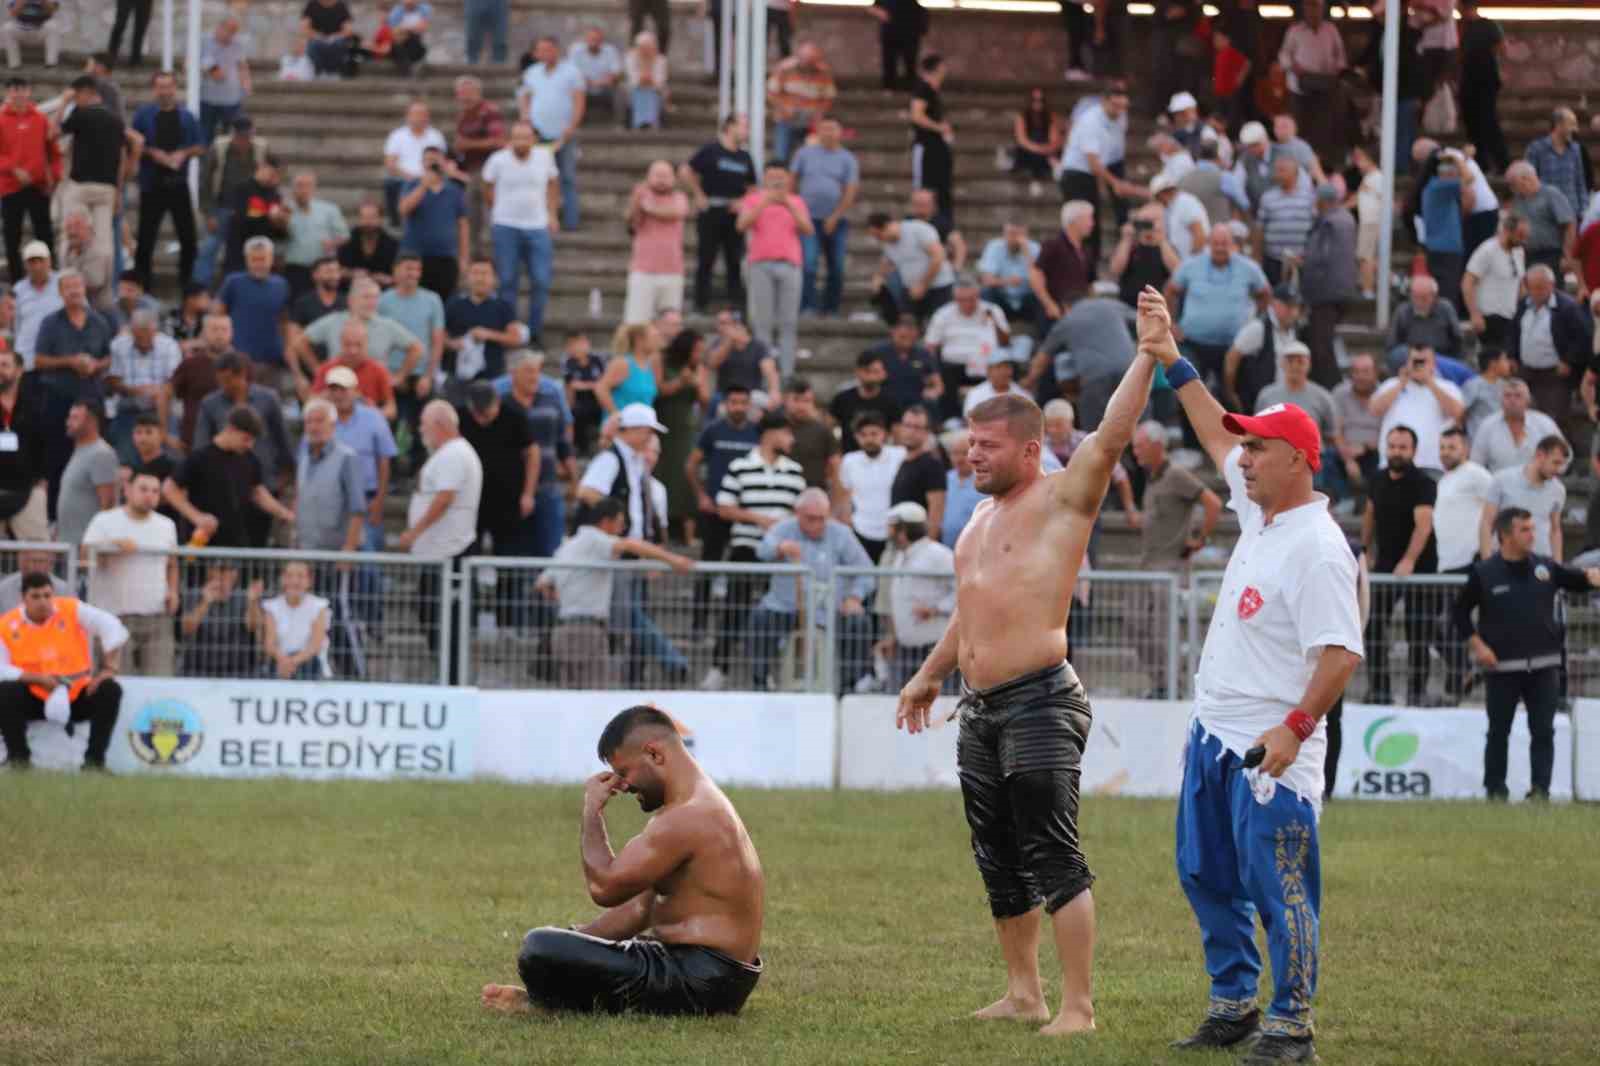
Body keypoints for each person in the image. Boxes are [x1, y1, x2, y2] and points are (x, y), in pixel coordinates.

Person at [892, 292, 1161, 1035]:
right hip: (980, 705)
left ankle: (1078, 1006)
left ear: (1030, 449)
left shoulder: (1062, 499)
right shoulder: (977, 518)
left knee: (1052, 854)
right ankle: (1024, 993)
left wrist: (1144, 354)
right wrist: (931, 673)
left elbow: (1109, 437)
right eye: (969, 445)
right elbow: (970, 608)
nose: (971, 456)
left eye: (987, 447)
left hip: (1041, 697)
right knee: (998, 857)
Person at [1134, 288, 1360, 1063]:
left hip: (1271, 746)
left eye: (1258, 448)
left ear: (1297, 459)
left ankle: (1292, 1023)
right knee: (1205, 872)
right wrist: (1171, 361)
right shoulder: (1263, 513)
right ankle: (1234, 1003)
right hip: (1213, 733)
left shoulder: (1320, 547)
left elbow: (1341, 654)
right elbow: (1209, 423)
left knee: (1280, 888)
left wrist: (1295, 730)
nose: (1243, 457)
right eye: (1247, 449)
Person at [482, 704, 764, 1015]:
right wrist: (578, 942)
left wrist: (592, 811)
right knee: (558, 944)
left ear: (654, 754)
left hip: (702, 982)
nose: (623, 785)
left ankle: (551, 1004)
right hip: (712, 977)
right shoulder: (696, 803)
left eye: (624, 772)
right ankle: (553, 1000)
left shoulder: (688, 816)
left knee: (538, 946)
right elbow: (640, 907)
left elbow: (605, 888)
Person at [1455, 508, 1600, 801]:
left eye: (1534, 529)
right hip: (1502, 668)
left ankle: (1540, 791)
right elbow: (1459, 613)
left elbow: (1577, 580)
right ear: (1505, 535)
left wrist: (1592, 577)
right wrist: (1478, 645)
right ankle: (1495, 790)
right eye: (1525, 530)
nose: (1533, 535)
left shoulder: (1545, 567)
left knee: (1543, 732)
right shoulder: (1484, 572)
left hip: (1545, 665)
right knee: (1498, 732)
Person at [537, 500, 693, 688]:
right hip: (589, 631)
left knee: (569, 698)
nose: (622, 528)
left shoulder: (568, 546)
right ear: (605, 522)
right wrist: (672, 559)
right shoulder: (595, 540)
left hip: (562, 631)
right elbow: (628, 545)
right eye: (620, 522)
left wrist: (561, 594)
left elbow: (542, 584)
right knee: (596, 697)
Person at [702, 411, 804, 691]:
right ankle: (719, 668)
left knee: (773, 617)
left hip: (780, 556)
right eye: (787, 433)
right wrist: (761, 520)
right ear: (771, 434)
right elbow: (723, 507)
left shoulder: (794, 471)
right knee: (734, 610)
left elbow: (800, 513)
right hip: (746, 548)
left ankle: (764, 672)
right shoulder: (739, 467)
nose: (791, 439)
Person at [0, 572, 128, 770]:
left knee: (110, 690)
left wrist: (109, 669)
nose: (43, 602)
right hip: (35, 693)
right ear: (23, 598)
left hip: (75, 691)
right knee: (6, 692)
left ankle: (94, 762)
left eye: (47, 595)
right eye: (36, 596)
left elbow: (112, 626)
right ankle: (19, 760)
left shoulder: (71, 608)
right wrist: (38, 679)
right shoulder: (7, 624)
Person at [1130, 420, 1221, 698]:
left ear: (1158, 446)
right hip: (1147, 566)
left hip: (1168, 567)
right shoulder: (1153, 478)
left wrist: (1200, 539)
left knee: (1162, 632)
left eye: (1139, 446)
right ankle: (1159, 682)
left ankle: (1172, 687)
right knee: (1134, 626)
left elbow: (1212, 503)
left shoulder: (1177, 475)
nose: (1135, 453)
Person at [751, 487, 874, 693]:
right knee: (760, 617)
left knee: (859, 623)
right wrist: (779, 548)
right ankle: (761, 680)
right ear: (797, 513)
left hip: (831, 609)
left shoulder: (841, 534)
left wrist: (854, 597)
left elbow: (866, 571)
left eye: (821, 518)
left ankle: (849, 685)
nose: (817, 524)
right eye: (810, 518)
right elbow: (761, 550)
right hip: (786, 607)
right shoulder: (784, 528)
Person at [400, 400, 482, 684]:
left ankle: (451, 677)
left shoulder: (454, 454)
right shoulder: (449, 453)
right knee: (431, 615)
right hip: (439, 552)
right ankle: (446, 672)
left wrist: (415, 531)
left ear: (439, 425)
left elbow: (445, 497)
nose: (421, 430)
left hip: (449, 552)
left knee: (444, 622)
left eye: (424, 424)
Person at [1363, 425, 1439, 707]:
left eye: (1402, 447)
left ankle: (1416, 692)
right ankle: (1379, 690)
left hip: (1421, 568)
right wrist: (1365, 550)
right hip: (1384, 565)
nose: (1396, 451)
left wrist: (1408, 561)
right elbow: (1369, 514)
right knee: (1373, 627)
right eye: (1392, 446)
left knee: (1417, 631)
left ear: (1414, 451)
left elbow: (1424, 525)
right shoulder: (1377, 479)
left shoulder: (1424, 483)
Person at [81, 468, 176, 678]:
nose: (149, 495)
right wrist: (113, 546)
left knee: (160, 680)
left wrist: (174, 591)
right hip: (114, 614)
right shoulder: (104, 521)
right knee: (117, 680)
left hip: (156, 615)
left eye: (155, 491)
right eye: (143, 489)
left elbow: (172, 563)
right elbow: (84, 556)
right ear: (127, 490)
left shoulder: (167, 525)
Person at [165, 406, 294, 548]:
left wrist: (283, 513)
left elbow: (258, 492)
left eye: (252, 440)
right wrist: (197, 517)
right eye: (246, 439)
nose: (249, 445)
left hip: (236, 541)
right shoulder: (200, 457)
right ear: (230, 429)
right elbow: (169, 488)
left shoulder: (250, 459)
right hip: (203, 542)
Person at [1166, 223, 1268, 396]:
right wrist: (1171, 324)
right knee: (1189, 393)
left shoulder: (1248, 268)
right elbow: (1170, 291)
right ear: (1208, 243)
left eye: (1224, 243)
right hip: (1194, 343)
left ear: (1232, 244)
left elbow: (1265, 294)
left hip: (1233, 347)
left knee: (1235, 396)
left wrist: (1256, 323)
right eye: (1216, 243)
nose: (1220, 248)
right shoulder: (1191, 265)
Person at [481, 120, 558, 341]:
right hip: (506, 225)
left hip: (537, 225)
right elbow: (487, 185)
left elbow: (553, 183)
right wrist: (496, 208)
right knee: (507, 280)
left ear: (533, 139)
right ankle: (509, 330)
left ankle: (535, 332)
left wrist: (551, 213)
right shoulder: (498, 160)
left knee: (541, 280)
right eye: (517, 137)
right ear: (510, 139)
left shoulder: (545, 157)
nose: (521, 142)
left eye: (525, 137)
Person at [130, 72, 202, 293]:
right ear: (154, 89)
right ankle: (144, 286)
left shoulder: (187, 116)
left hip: (178, 184)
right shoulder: (143, 115)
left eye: (169, 86)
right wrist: (154, 154)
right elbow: (133, 144)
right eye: (160, 87)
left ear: (175, 88)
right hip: (152, 184)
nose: (165, 91)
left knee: (188, 239)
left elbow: (200, 145)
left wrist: (183, 154)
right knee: (145, 240)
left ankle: (186, 284)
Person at [194, 352, 295, 505]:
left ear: (242, 374)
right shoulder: (209, 404)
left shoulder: (268, 399)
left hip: (265, 482)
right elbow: (201, 445)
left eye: (228, 380)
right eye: (220, 381)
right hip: (225, 486)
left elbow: (282, 440)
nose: (224, 386)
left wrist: (284, 477)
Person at [737, 163, 810, 375]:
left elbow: (807, 229)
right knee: (762, 323)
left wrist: (788, 204)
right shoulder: (753, 200)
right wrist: (764, 202)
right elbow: (741, 225)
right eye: (772, 177)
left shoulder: (797, 201)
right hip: (760, 264)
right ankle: (763, 372)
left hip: (790, 264)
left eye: (781, 177)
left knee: (788, 323)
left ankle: (787, 374)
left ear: (788, 179)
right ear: (765, 179)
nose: (777, 181)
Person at [1506, 264, 1593, 439]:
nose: (1537, 292)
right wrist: (1512, 356)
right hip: (1527, 371)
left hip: (1554, 374)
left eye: (1541, 288)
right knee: (1526, 417)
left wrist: (1569, 361)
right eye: (1533, 288)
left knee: (1555, 419)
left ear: (1551, 285)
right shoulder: (1524, 304)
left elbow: (1582, 338)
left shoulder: (1567, 308)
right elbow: (1514, 332)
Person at [682, 115, 755, 315]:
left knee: (734, 259)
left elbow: (752, 186)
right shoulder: (711, 150)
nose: (746, 130)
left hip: (734, 215)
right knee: (706, 257)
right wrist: (698, 194)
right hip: (711, 211)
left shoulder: (745, 156)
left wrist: (742, 202)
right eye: (743, 126)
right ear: (730, 126)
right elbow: (686, 170)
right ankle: (700, 304)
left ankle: (736, 307)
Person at [1036, 288, 1138, 432]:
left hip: (1096, 376)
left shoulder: (1067, 320)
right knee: (1138, 419)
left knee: (1094, 430)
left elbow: (1041, 359)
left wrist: (1028, 381)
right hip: (1130, 370)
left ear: (1065, 307)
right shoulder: (1110, 304)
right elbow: (1142, 317)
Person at [877, 500, 955, 689]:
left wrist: (936, 609)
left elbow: (964, 592)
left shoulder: (939, 555)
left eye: (892, 529)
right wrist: (893, 636)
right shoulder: (900, 557)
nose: (889, 534)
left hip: (933, 649)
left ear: (903, 532)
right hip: (904, 650)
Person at [1056, 85, 1132, 269]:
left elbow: (1112, 154)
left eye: (1122, 106)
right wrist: (1114, 183)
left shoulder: (1121, 118)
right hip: (1077, 174)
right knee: (1081, 224)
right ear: (1105, 102)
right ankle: (1079, 269)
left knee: (1095, 223)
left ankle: (1093, 269)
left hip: (1099, 170)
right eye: (1114, 105)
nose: (1119, 111)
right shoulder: (1090, 122)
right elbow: (1093, 161)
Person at [791, 119, 857, 317]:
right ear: (818, 132)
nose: (828, 133)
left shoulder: (848, 158)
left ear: (840, 132)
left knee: (836, 267)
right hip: (808, 219)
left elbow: (850, 190)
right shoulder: (804, 153)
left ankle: (831, 308)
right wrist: (796, 210)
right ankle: (807, 306)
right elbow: (792, 180)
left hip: (836, 221)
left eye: (832, 129)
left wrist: (835, 216)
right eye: (824, 129)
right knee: (809, 265)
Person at [517, 36, 584, 233]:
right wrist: (526, 121)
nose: (546, 53)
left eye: (549, 49)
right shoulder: (531, 73)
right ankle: (541, 218)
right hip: (537, 135)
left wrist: (572, 126)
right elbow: (524, 98)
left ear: (557, 50)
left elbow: (579, 101)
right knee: (538, 177)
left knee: (567, 177)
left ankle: (571, 222)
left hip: (563, 134)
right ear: (536, 53)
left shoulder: (572, 72)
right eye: (541, 50)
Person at [1371, 345, 1465, 474]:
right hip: (1394, 463)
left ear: (1433, 364)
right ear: (1407, 362)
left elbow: (1457, 413)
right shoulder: (1391, 384)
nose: (1418, 365)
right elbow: (1375, 410)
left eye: (1423, 361)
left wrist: (1430, 383)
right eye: (1415, 361)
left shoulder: (1447, 387)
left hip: (1433, 464)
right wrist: (1401, 383)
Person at [0, 75, 58, 283]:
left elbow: (53, 151)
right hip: (9, 187)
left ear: (29, 92)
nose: (18, 94)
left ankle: (51, 278)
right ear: (8, 93)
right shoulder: (1, 119)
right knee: (11, 237)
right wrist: (12, 169)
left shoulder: (40, 119)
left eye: (22, 89)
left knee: (45, 234)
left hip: (38, 186)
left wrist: (55, 177)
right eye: (14, 90)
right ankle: (16, 282)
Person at [104, 308, 180, 461]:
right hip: (128, 408)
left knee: (169, 457)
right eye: (139, 337)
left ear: (155, 331)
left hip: (160, 409)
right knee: (125, 460)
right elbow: (112, 380)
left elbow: (174, 382)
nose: (144, 341)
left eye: (148, 336)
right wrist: (134, 390)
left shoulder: (169, 345)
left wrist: (158, 392)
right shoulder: (118, 345)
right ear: (132, 331)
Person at [1480, 435, 1569, 563]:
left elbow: (1555, 530)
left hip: (1541, 562)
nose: (1559, 469)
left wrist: (1558, 566)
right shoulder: (1502, 480)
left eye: (1562, 464)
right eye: (1555, 463)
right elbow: (1486, 523)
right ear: (1539, 455)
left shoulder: (1558, 490)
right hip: (1505, 560)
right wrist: (1487, 563)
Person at [293, 397, 364, 556]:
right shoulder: (303, 458)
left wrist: (349, 548)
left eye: (319, 421)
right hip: (307, 549)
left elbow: (357, 508)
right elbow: (300, 498)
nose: (313, 427)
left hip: (337, 552)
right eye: (309, 422)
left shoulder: (347, 458)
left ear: (333, 425)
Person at [216, 237, 291, 385]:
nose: (259, 264)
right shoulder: (233, 282)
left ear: (271, 259)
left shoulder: (281, 285)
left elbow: (284, 321)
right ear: (247, 260)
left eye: (263, 259)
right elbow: (218, 315)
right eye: (254, 259)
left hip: (271, 361)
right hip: (239, 361)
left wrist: (285, 348)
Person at [398, 146, 468, 301]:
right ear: (422, 163)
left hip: (446, 256)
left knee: (445, 301)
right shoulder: (412, 184)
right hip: (416, 256)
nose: (432, 164)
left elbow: (463, 225)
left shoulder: (454, 190)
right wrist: (423, 186)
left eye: (436, 160)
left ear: (443, 162)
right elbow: (404, 210)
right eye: (428, 160)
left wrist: (463, 258)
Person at [624, 160, 688, 326]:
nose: (661, 180)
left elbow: (675, 213)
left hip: (672, 271)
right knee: (636, 324)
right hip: (643, 271)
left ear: (673, 179)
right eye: (657, 175)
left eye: (666, 176)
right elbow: (630, 222)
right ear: (648, 177)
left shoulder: (680, 198)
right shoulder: (641, 197)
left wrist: (648, 207)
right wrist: (636, 202)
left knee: (670, 325)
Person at [444, 259, 526, 384]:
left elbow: (516, 338)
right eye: (475, 273)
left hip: (492, 377)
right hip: (457, 376)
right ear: (467, 277)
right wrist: (452, 343)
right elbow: (439, 336)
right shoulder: (454, 304)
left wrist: (488, 334)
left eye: (485, 274)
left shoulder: (503, 306)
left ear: (494, 278)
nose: (480, 278)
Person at [838, 411, 905, 563]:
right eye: (863, 435)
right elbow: (845, 497)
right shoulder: (849, 461)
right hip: (860, 531)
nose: (869, 439)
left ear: (884, 435)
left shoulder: (900, 455)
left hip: (893, 532)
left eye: (874, 434)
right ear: (856, 437)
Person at [868, 211, 953, 326]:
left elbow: (938, 257)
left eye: (879, 235)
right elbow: (887, 262)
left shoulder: (917, 230)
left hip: (939, 286)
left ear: (887, 226)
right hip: (911, 289)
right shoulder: (888, 244)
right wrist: (878, 277)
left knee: (939, 324)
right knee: (907, 323)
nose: (879, 240)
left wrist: (923, 284)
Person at [55, 400, 118, 547]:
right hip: (68, 544)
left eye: (75, 418)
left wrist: (95, 541)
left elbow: (108, 504)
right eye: (69, 417)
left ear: (91, 422)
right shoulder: (79, 450)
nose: (68, 422)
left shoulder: (101, 454)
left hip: (86, 547)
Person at [254, 561, 331, 681]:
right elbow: (270, 644)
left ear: (309, 581)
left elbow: (315, 645)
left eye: (300, 576)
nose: (295, 581)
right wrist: (283, 660)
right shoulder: (271, 606)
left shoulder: (319, 606)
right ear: (282, 579)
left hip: (309, 664)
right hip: (280, 661)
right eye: (289, 576)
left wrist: (291, 662)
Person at [0, 346, 47, 541]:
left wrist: (42, 482)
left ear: (19, 371)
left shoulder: (35, 405)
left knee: (36, 553)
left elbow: (44, 445)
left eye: (4, 365)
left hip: (28, 490)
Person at [1470, 377, 1564, 474]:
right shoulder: (1487, 426)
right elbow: (1476, 463)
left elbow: (1565, 455)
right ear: (1500, 400)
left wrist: (1550, 474)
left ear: (1528, 400)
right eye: (1507, 396)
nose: (1512, 400)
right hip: (1499, 486)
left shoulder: (1544, 423)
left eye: (1518, 396)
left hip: (1538, 485)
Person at [1463, 214, 1527, 354]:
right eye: (1520, 235)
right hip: (1489, 316)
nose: (1523, 239)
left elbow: (1520, 284)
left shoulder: (1519, 252)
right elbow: (1468, 282)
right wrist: (1474, 313)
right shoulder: (1487, 250)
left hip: (1510, 316)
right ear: (1507, 231)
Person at [1525, 109, 1588, 246]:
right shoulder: (1536, 149)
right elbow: (1528, 181)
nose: (1575, 129)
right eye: (1571, 124)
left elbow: (1580, 181)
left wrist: (1583, 210)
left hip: (1572, 214)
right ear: (1558, 125)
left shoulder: (1576, 150)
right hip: (1547, 214)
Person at [1028, 202, 1095, 323]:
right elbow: (1035, 274)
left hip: (1080, 311)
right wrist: (1049, 304)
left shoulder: (1086, 250)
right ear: (1075, 220)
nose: (1092, 224)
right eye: (1089, 219)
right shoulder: (1053, 245)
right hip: (1057, 313)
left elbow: (1089, 283)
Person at [1506, 161, 1575, 275]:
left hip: (1551, 254)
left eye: (1514, 184)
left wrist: (1567, 256)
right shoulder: (1518, 199)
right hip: (1527, 255)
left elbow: (1569, 225)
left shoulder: (1551, 194)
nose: (1512, 188)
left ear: (1525, 179)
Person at [1255, 156, 1315, 287]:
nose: (1277, 174)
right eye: (1276, 170)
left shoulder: (1309, 197)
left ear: (1295, 173)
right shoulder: (1267, 198)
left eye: (1282, 170)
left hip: (1302, 261)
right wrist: (1257, 259)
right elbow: (1259, 230)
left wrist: (1310, 255)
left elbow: (1316, 230)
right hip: (1274, 261)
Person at [908, 54, 953, 223]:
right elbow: (916, 115)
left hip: (938, 146)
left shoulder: (933, 91)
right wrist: (939, 127)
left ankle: (942, 223)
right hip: (926, 146)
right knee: (924, 188)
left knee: (942, 188)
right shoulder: (923, 89)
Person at [830, 353, 901, 456]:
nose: (871, 376)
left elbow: (897, 435)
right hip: (848, 457)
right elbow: (829, 427)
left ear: (884, 373)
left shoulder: (891, 401)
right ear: (857, 371)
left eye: (876, 371)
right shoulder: (842, 399)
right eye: (867, 371)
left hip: (881, 459)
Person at [978, 222, 1042, 329]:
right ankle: (989, 332)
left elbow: (1040, 280)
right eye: (1011, 234)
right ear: (1004, 234)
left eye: (1019, 234)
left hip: (1026, 300)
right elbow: (986, 280)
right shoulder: (994, 247)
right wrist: (1006, 281)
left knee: (1042, 296)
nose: (1015, 239)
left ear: (1026, 235)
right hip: (1003, 301)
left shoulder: (1034, 248)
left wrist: (1026, 253)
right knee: (986, 293)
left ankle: (1043, 337)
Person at [197, 17, 250, 142]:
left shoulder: (238, 44)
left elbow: (242, 65)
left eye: (234, 32)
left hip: (232, 98)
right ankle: (206, 160)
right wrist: (210, 69)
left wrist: (246, 83)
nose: (230, 35)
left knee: (231, 134)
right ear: (220, 27)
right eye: (229, 30)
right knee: (206, 133)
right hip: (207, 97)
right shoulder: (203, 41)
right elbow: (190, 64)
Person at [568, 27, 623, 124]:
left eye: (597, 39)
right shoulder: (576, 50)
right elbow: (573, 74)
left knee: (620, 92)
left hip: (606, 87)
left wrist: (598, 82)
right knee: (572, 90)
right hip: (582, 87)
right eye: (591, 39)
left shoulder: (610, 50)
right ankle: (575, 123)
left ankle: (618, 126)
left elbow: (615, 73)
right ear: (586, 39)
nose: (594, 42)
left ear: (602, 41)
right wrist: (589, 82)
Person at [871, 0, 928, 91]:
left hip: (910, 32)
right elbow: (873, 7)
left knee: (910, 62)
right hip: (891, 33)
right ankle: (889, 88)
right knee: (889, 62)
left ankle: (909, 88)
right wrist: (881, 14)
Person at [1011, 88, 1062, 184]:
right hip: (1029, 151)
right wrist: (1038, 149)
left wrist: (1046, 150)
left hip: (1045, 150)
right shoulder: (1022, 117)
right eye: (1034, 100)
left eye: (1041, 100)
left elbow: (1055, 140)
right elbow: (1022, 140)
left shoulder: (1051, 116)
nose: (1038, 103)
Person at [301, 0, 356, 77]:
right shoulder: (311, 5)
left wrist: (334, 37)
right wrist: (318, 36)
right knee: (313, 46)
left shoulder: (341, 6)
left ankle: (334, 72)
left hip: (336, 41)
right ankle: (319, 72)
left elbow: (348, 30)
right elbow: (304, 28)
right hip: (317, 41)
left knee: (340, 45)